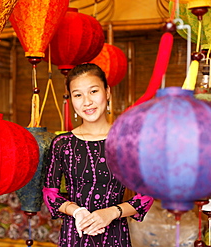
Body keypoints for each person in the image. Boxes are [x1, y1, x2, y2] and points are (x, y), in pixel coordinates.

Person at [43, 63, 154, 247]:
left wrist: (111, 213)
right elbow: (50, 195)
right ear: (71, 99)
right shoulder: (62, 144)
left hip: (115, 237)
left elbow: (146, 196)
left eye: (93, 91)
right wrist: (77, 211)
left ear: (107, 92)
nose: (86, 101)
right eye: (78, 95)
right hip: (74, 235)